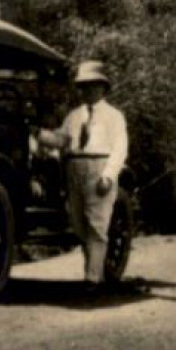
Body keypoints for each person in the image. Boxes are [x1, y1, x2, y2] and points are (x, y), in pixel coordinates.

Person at [50, 60, 129, 290]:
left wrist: (108, 176)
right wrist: (40, 135)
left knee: (97, 223)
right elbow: (61, 139)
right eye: (84, 86)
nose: (88, 90)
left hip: (98, 166)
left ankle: (92, 279)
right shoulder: (74, 116)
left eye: (93, 86)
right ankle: (95, 270)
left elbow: (120, 148)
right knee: (78, 224)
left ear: (103, 88)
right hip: (74, 168)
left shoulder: (114, 116)